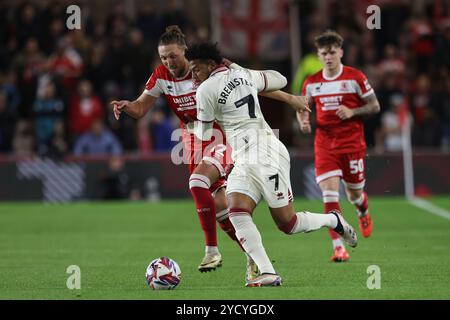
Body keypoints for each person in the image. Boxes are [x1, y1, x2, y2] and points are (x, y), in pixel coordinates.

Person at [111, 26, 310, 276]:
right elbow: (141, 108)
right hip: (193, 139)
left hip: (221, 134)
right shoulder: (161, 76)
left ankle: (211, 250)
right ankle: (254, 258)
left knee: (197, 182)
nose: (168, 62)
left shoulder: (213, 67)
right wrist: (127, 106)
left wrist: (291, 99)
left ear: (185, 52)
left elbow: (253, 84)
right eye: (163, 57)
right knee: (217, 205)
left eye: (173, 56)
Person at [186, 42, 357, 287]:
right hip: (245, 157)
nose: (193, 75)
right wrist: (239, 70)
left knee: (288, 223)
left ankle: (334, 220)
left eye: (196, 69)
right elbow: (281, 79)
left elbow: (203, 134)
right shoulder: (244, 74)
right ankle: (267, 271)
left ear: (211, 65)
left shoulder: (205, 89)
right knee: (236, 212)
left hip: (265, 153)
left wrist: (190, 125)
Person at [297, 30, 380, 262]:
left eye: (333, 52)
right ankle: (338, 247)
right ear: (319, 55)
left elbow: (374, 106)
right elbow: (302, 106)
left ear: (340, 52)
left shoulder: (355, 77)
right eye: (324, 53)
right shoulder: (312, 82)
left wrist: (353, 111)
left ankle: (362, 210)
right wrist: (303, 120)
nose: (329, 57)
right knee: (329, 192)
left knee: (354, 194)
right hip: (325, 144)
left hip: (352, 144)